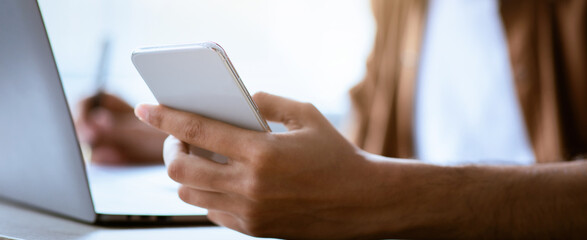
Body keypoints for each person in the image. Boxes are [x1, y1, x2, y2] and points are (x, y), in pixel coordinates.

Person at [76, 0, 586, 238]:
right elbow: (365, 140)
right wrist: (208, 138)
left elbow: (375, 179)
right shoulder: (403, 10)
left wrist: (385, 199)